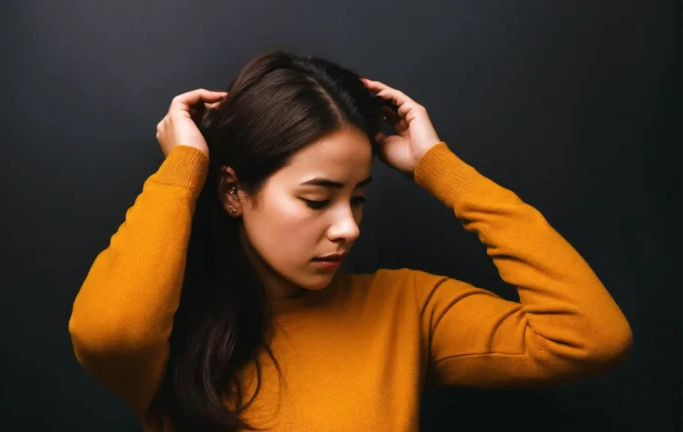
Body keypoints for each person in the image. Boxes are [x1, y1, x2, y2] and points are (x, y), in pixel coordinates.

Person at [68, 50, 633, 431]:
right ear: (234, 192)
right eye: (318, 199)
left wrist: (440, 168)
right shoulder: (173, 329)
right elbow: (109, 333)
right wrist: (184, 167)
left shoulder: (406, 309)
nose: (349, 227)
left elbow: (591, 338)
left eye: (358, 197)